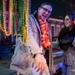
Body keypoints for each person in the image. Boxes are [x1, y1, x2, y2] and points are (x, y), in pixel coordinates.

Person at [10, 2, 54, 75]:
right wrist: (37, 53)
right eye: (45, 9)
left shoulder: (46, 25)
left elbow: (47, 43)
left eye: (49, 12)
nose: (47, 13)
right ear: (39, 9)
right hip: (28, 59)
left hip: (40, 58)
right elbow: (28, 35)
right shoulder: (28, 19)